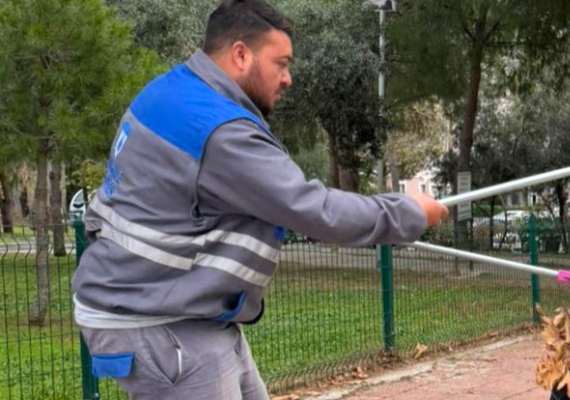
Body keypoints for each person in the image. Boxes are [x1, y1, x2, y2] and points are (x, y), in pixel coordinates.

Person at [71, 1, 448, 399]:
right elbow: (314, 211)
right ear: (240, 54)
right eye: (280, 63)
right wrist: (409, 212)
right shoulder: (219, 131)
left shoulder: (169, 93)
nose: (287, 79)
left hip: (173, 307)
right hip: (160, 321)